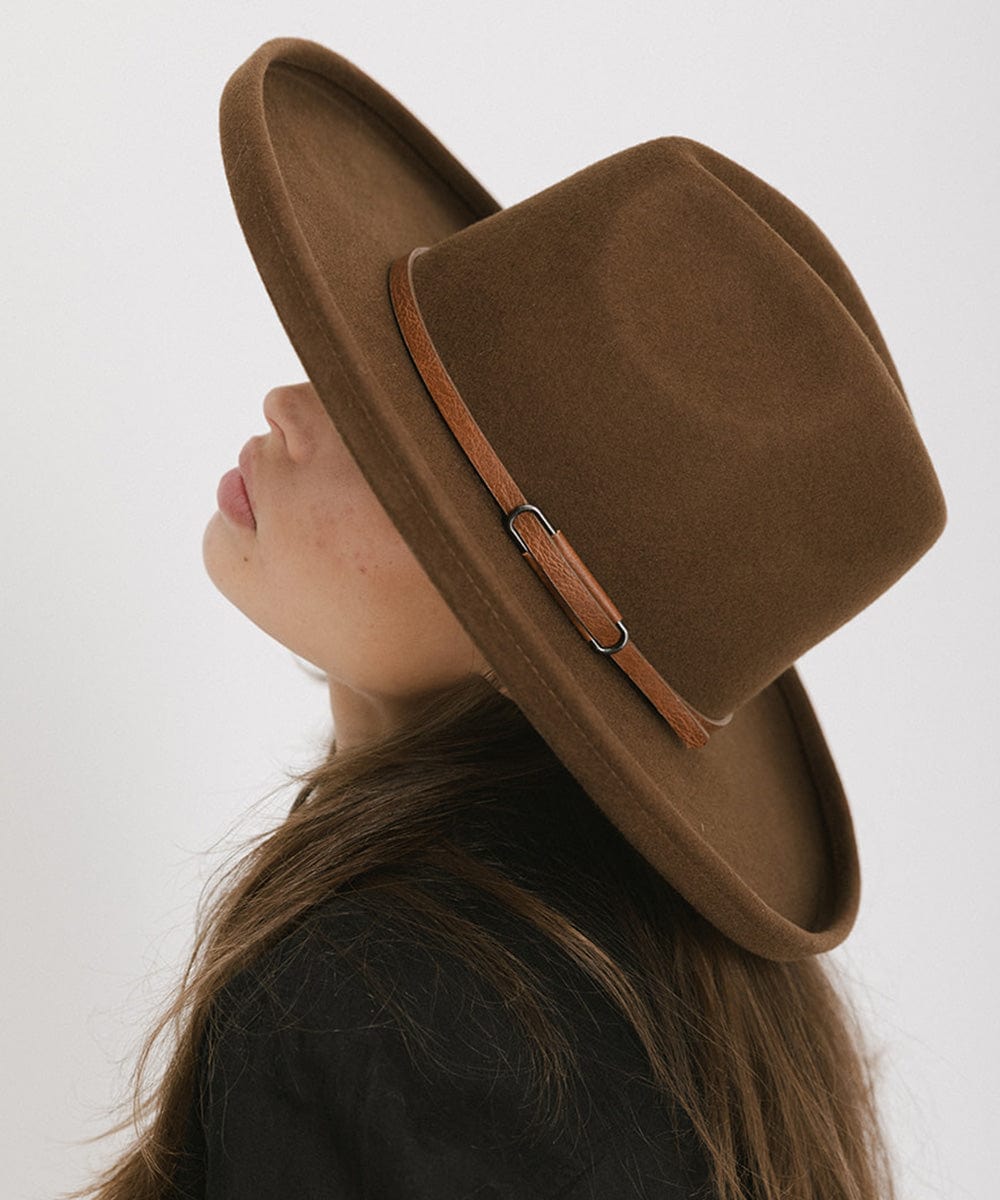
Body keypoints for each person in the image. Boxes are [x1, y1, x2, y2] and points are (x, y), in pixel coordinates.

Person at [64, 36, 948, 1200]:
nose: (285, 405)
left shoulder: (389, 1005)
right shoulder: (637, 996)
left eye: (395, 439)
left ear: (521, 620)